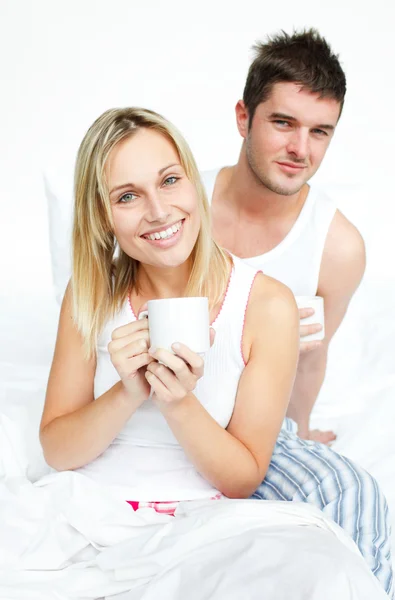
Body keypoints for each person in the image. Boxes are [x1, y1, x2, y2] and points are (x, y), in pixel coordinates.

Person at [39, 107, 392, 597]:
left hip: (203, 522)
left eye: (169, 181)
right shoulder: (89, 295)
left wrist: (178, 402)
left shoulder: (266, 305)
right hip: (89, 512)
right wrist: (125, 392)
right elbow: (57, 448)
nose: (159, 211)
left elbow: (243, 478)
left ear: (193, 183)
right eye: (127, 196)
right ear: (102, 215)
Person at [202, 29, 365, 445]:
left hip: (255, 438)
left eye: (319, 132)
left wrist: (300, 435)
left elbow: (310, 360)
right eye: (283, 122)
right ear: (244, 117)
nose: (300, 149)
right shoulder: (181, 204)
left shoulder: (338, 247)